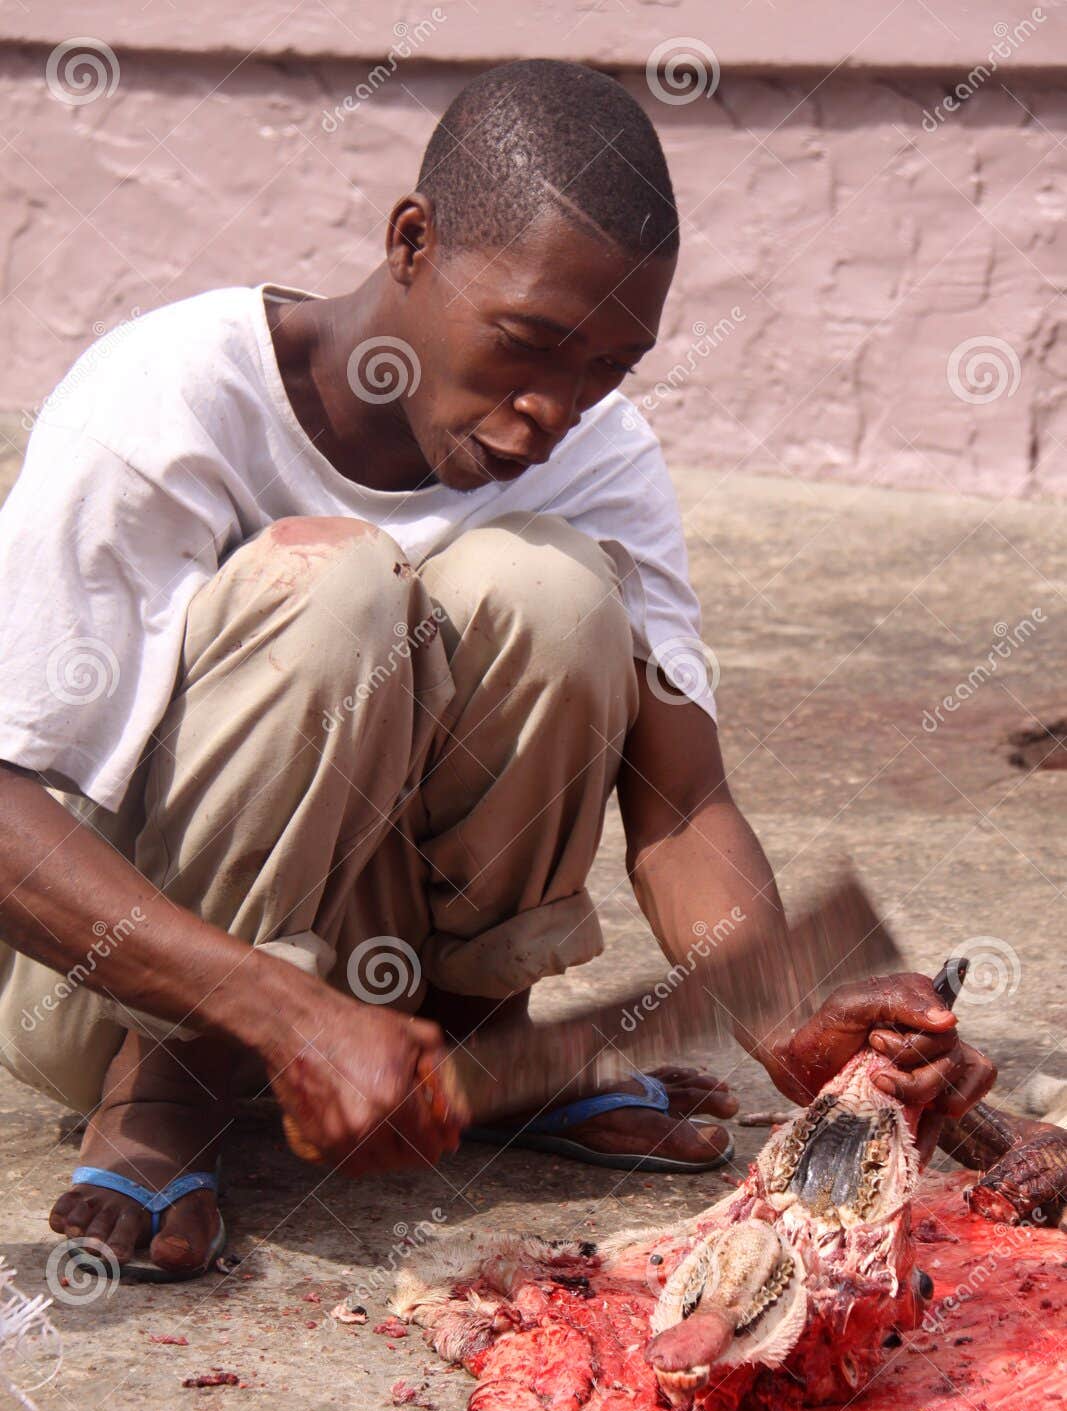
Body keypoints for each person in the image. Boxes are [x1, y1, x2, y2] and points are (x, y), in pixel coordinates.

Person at [0, 60, 994, 1282]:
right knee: (335, 584)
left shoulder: (595, 454)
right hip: (121, 987)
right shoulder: (163, 403)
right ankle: (166, 1098)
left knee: (558, 590)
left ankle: (480, 1054)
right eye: (528, 344)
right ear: (410, 242)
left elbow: (682, 801)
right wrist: (281, 1010)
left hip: (390, 1005)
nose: (547, 413)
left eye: (604, 371)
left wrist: (786, 1011)